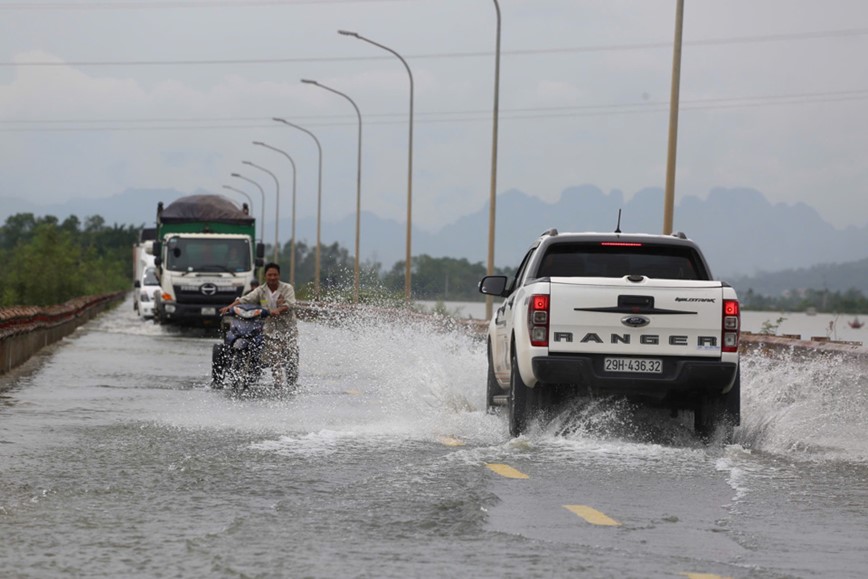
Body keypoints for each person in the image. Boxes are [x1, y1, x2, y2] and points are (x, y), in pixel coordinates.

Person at [221, 262, 298, 388]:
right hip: (269, 328)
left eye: (275, 275)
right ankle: (273, 382)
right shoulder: (260, 290)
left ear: (279, 275)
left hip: (287, 328)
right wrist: (228, 307)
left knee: (288, 355)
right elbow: (245, 299)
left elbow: (291, 304)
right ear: (265, 276)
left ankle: (285, 385)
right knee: (274, 354)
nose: (272, 277)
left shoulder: (287, 288)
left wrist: (278, 310)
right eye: (269, 275)